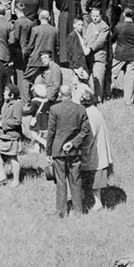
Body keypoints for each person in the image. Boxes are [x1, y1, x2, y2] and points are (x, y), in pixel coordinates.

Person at [45, 85, 91, 218]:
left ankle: (61, 211)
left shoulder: (54, 109)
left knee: (61, 181)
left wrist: (48, 153)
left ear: (60, 94)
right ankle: (78, 211)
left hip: (58, 151)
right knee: (76, 180)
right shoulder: (81, 109)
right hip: (75, 151)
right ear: (71, 94)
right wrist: (73, 143)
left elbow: (51, 132)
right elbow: (85, 131)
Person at [0, 84, 35, 188]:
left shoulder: (17, 105)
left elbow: (17, 121)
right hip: (3, 134)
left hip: (12, 135)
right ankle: (2, 175)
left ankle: (16, 180)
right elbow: (4, 115)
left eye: (6, 92)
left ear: (11, 95)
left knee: (12, 157)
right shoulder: (6, 103)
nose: (4, 93)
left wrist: (3, 123)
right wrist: (0, 120)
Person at [78, 87, 114, 212]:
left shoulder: (89, 114)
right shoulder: (95, 111)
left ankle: (96, 203)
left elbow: (89, 136)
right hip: (99, 151)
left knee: (92, 181)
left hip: (94, 153)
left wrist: (83, 151)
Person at [112, 8, 134, 105]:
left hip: (120, 53)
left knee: (112, 74)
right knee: (130, 79)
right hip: (132, 54)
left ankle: (106, 93)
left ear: (123, 14)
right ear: (133, 15)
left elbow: (113, 38)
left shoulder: (119, 27)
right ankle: (129, 100)